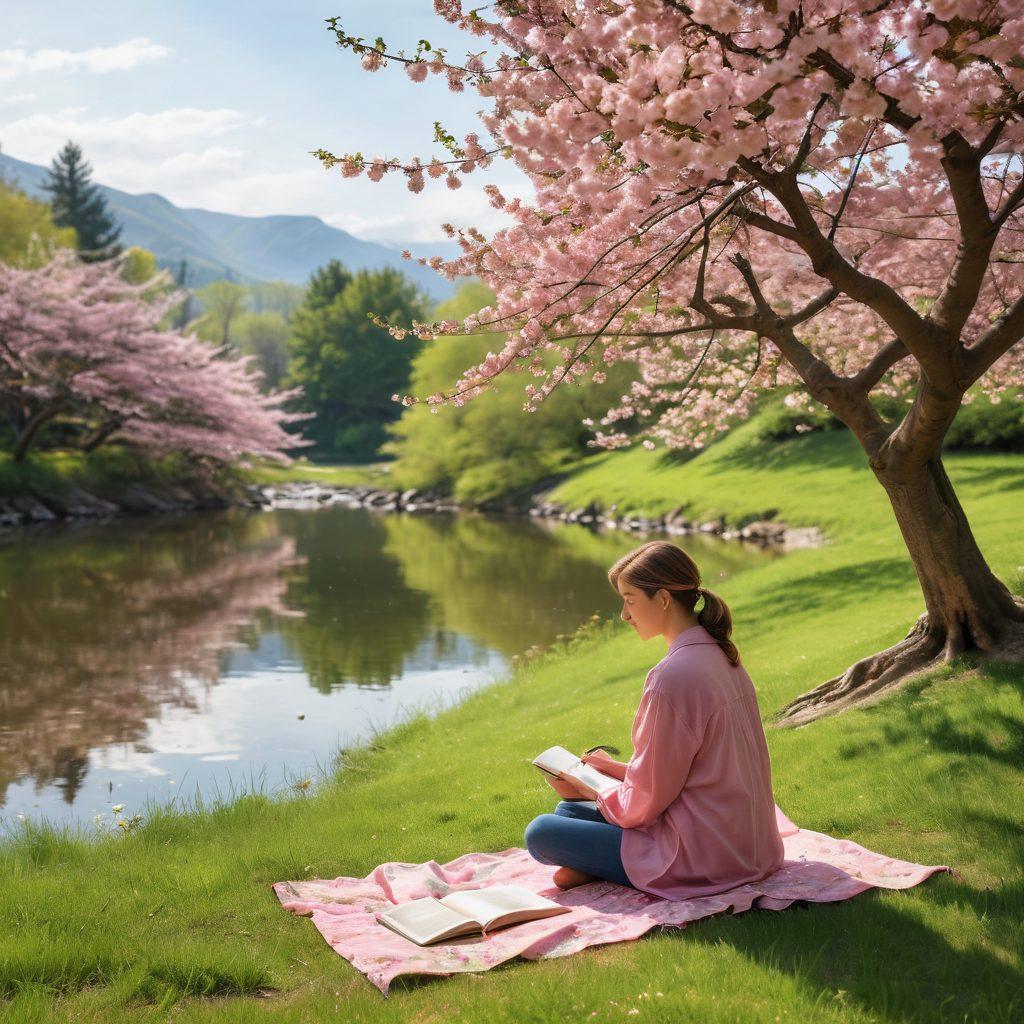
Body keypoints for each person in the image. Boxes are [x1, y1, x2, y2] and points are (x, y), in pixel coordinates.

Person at [524, 540, 785, 898]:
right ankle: (595, 865)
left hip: (706, 856)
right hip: (751, 843)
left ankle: (606, 868)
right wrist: (614, 770)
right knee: (568, 812)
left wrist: (592, 787)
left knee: (542, 832)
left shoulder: (672, 677)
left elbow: (643, 807)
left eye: (630, 600)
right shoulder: (723, 657)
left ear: (662, 599)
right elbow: (687, 768)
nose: (625, 615)